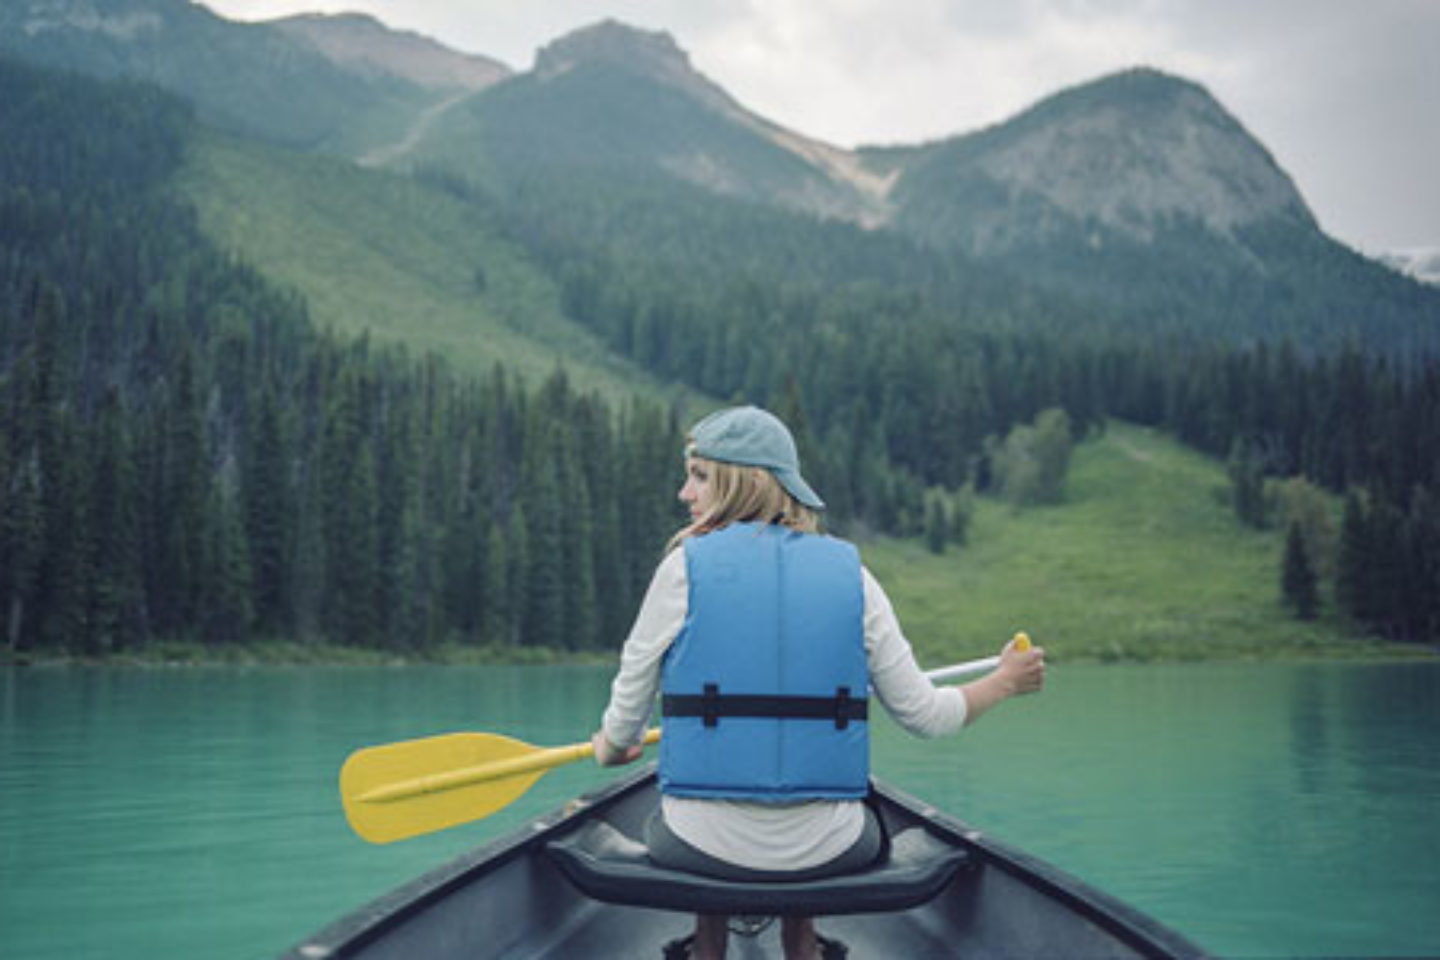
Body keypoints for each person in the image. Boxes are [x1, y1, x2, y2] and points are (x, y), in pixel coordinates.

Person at [591, 405, 1045, 960]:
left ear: (748, 481)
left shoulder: (681, 569)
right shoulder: (854, 577)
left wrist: (612, 747)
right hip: (830, 850)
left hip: (697, 848)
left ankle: (707, 949)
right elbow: (929, 716)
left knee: (686, 807)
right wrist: (1003, 680)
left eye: (700, 475)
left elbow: (620, 731)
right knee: (831, 807)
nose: (686, 493)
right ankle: (801, 945)